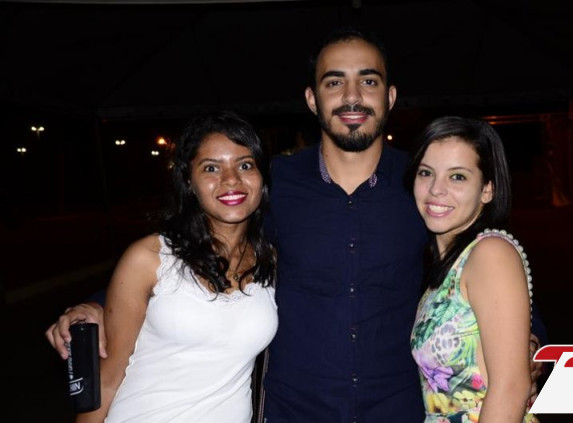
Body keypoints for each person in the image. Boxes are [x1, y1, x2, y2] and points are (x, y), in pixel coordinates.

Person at [46, 27, 543, 423]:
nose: (352, 96)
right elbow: (193, 248)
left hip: (398, 410)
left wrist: (531, 337)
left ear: (390, 96)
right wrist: (98, 303)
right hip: (295, 411)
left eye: (368, 81)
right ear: (311, 99)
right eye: (334, 82)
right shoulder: (271, 185)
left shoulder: (421, 186)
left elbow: (473, 263)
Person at [49, 111, 278, 422]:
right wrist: (91, 306)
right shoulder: (150, 257)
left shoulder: (270, 262)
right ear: (189, 181)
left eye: (245, 165)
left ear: (262, 176)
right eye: (211, 167)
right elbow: (107, 378)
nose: (231, 179)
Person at [406, 116, 539, 422]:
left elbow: (511, 388)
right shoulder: (447, 268)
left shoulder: (490, 254)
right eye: (426, 173)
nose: (436, 189)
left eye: (457, 177)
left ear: (487, 189)